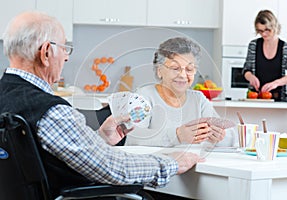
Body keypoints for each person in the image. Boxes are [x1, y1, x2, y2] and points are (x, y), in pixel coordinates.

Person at [0, 11, 203, 197]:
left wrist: (99, 139)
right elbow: (114, 168)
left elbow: (43, 157)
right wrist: (172, 163)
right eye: (64, 48)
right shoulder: (51, 112)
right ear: (46, 53)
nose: (67, 56)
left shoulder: (6, 97)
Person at [125, 37, 236, 147]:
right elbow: (135, 138)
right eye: (175, 68)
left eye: (189, 69)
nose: (183, 75)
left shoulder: (199, 99)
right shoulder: (143, 96)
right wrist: (177, 136)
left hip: (192, 163)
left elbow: (231, 138)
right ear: (159, 71)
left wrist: (220, 137)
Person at [242, 10, 287, 102]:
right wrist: (251, 77)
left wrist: (276, 83)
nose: (263, 34)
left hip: (279, 100)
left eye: (267, 30)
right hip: (255, 99)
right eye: (260, 31)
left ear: (274, 27)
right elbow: (246, 70)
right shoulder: (253, 45)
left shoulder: (286, 48)